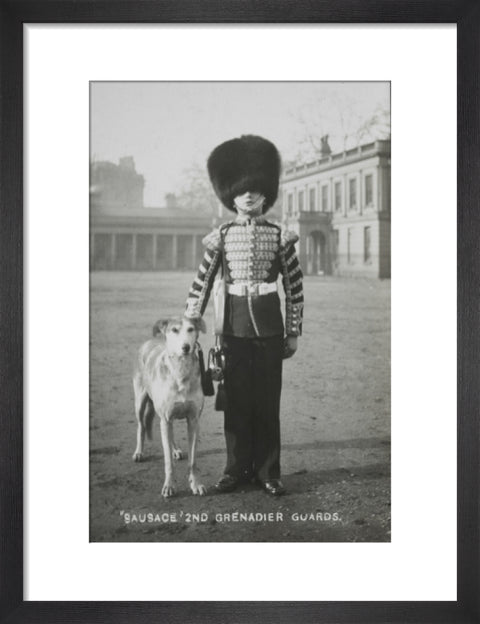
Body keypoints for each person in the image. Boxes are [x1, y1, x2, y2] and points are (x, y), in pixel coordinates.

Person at [184, 134, 304, 496]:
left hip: (268, 329)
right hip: (232, 330)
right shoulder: (220, 236)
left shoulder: (280, 236)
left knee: (268, 403)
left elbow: (295, 287)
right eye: (241, 189)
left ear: (266, 193)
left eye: (255, 188)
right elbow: (202, 281)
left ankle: (268, 471)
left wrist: (293, 331)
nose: (248, 195)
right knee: (235, 403)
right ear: (230, 195)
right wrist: (191, 320)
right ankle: (235, 469)